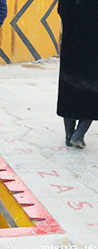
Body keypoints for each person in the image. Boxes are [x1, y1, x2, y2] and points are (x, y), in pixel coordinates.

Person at [57, 0, 98, 149]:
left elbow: (61, 10)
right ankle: (79, 134)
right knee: (92, 95)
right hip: (93, 50)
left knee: (69, 93)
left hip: (71, 48)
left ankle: (69, 136)